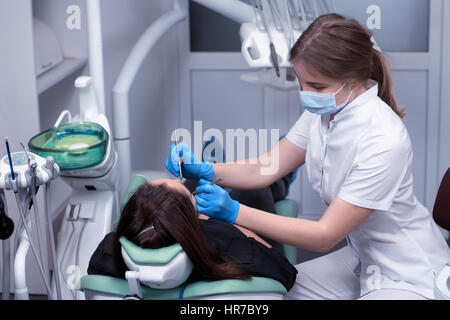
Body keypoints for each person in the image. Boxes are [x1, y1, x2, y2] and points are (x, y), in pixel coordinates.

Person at [165, 13, 450, 300]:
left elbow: (325, 235)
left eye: (316, 87)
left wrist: (234, 212)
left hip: (408, 272)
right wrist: (202, 169)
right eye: (300, 81)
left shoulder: (384, 140)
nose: (305, 93)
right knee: (276, 292)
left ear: (353, 81)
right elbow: (265, 168)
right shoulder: (324, 113)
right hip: (361, 258)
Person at [87, 178, 297, 291]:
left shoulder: (109, 250)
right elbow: (286, 270)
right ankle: (282, 178)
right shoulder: (226, 242)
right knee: (255, 188)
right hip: (225, 229)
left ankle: (213, 165)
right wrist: (231, 217)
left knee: (196, 180)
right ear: (193, 218)